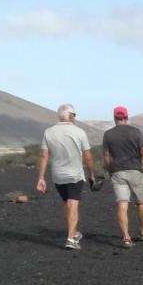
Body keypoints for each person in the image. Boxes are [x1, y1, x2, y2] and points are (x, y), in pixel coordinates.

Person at [36, 103, 96, 250]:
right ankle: (71, 239)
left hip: (57, 175)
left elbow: (44, 155)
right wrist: (92, 175)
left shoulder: (48, 132)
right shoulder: (79, 132)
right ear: (69, 116)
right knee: (73, 204)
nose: (75, 117)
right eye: (74, 115)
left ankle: (74, 232)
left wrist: (41, 178)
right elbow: (88, 156)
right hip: (75, 174)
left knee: (66, 203)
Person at [101, 105, 143, 248]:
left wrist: (109, 170)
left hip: (118, 172)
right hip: (135, 171)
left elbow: (106, 155)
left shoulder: (108, 134)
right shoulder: (136, 132)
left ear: (114, 118)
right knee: (141, 202)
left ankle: (126, 238)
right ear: (126, 117)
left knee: (122, 204)